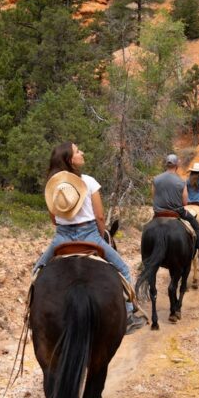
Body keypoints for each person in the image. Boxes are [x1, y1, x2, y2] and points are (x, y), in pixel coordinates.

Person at [35, 141, 146, 334]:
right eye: (78, 151)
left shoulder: (53, 186)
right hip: (90, 235)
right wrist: (101, 235)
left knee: (36, 273)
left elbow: (54, 219)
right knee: (124, 269)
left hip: (62, 238)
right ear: (71, 160)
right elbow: (100, 216)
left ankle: (31, 318)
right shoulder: (88, 181)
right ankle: (128, 316)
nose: (82, 152)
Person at [151, 154, 199, 265]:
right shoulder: (180, 181)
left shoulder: (156, 179)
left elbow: (153, 197)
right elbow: (184, 203)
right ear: (177, 165)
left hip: (158, 212)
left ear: (166, 164)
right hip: (177, 211)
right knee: (196, 226)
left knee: (149, 226)